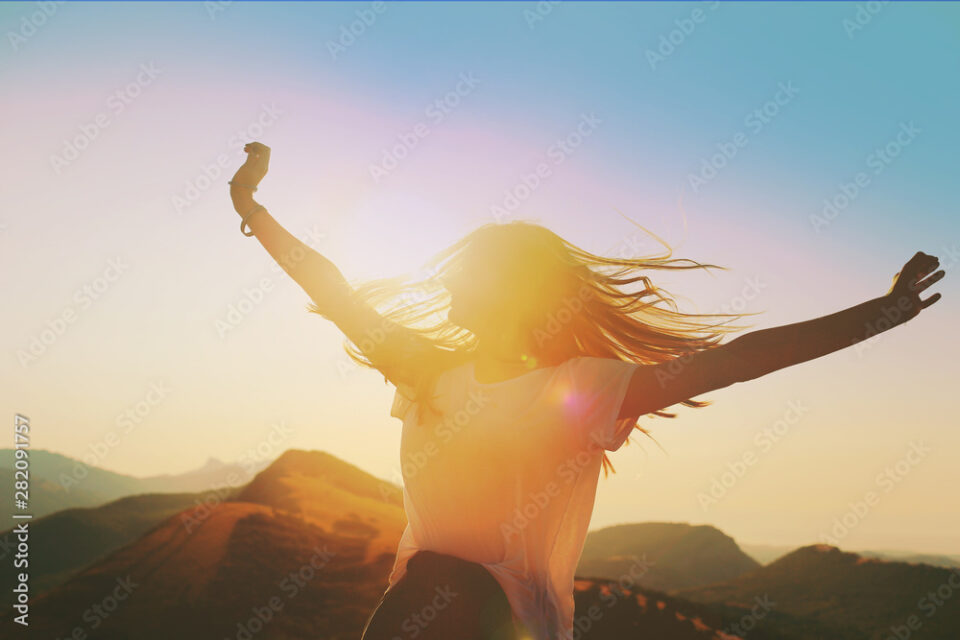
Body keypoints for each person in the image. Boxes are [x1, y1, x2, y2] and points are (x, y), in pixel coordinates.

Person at [228, 142, 944, 640]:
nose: (446, 285)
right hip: (416, 612)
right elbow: (329, 285)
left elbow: (737, 360)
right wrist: (250, 206)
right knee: (432, 586)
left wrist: (879, 314)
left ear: (507, 291)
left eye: (465, 276)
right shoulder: (429, 370)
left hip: (485, 622)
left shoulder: (575, 390)